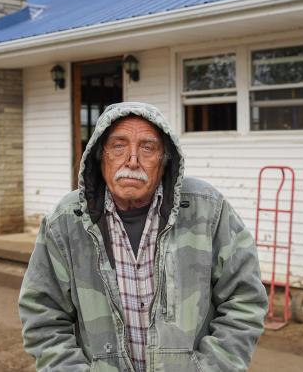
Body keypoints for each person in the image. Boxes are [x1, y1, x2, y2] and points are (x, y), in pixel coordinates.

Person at [19, 102, 268, 371]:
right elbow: (42, 316)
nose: (132, 160)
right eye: (119, 146)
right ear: (100, 157)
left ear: (164, 162)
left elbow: (244, 301)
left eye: (147, 148)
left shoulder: (207, 210)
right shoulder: (66, 222)